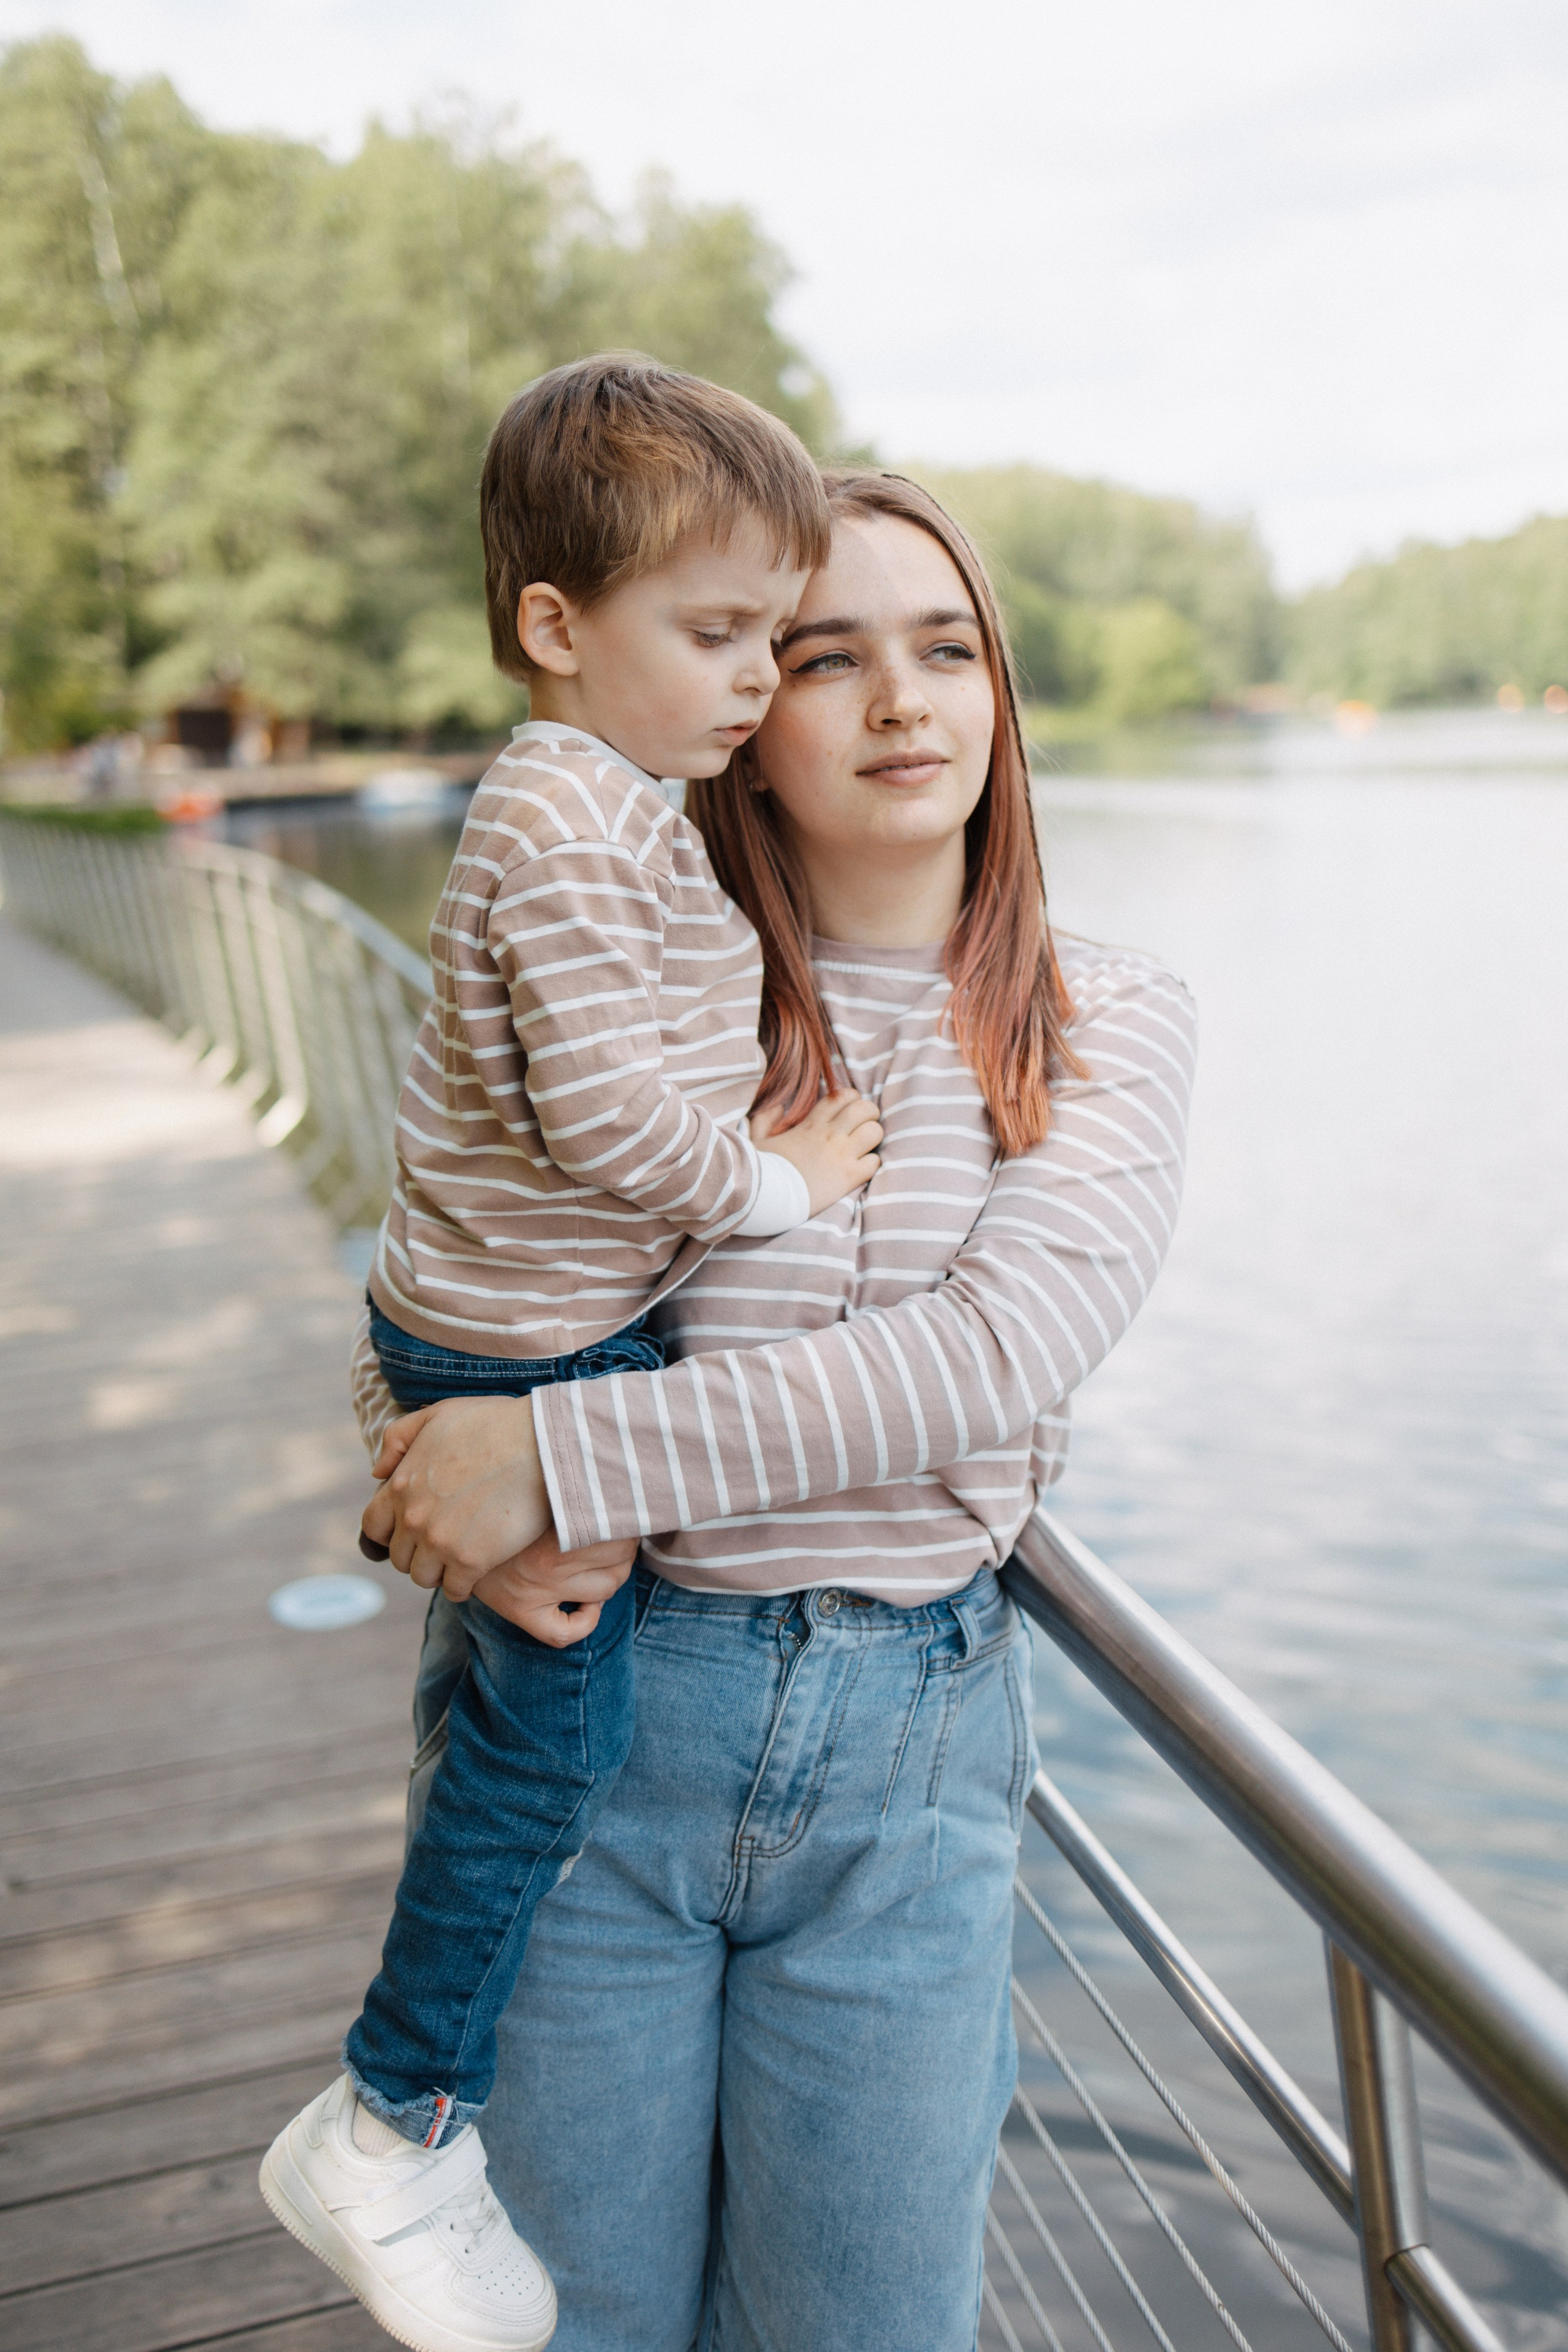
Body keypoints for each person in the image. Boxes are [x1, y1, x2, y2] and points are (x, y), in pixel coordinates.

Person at [360, 469, 1199, 2351]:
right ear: (741, 703)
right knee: (571, 2322)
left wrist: (547, 1456)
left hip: (909, 1769)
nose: (904, 702)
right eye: (827, 658)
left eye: (948, 649)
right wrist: (415, 1456)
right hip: (597, 1715)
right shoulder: (637, 977)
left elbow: (986, 1356)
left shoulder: (1108, 1018)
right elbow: (460, 1247)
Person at [259, 357, 883, 2352]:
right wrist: (779, 1185)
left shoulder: (617, 806)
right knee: (548, 1756)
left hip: (511, 1334)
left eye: (773, 636)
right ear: (554, 624)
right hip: (531, 1355)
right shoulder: (561, 817)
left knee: (502, 1722)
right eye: (715, 633)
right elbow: (608, 1116)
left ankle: (412, 2115)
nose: (755, 677)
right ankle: (393, 2121)